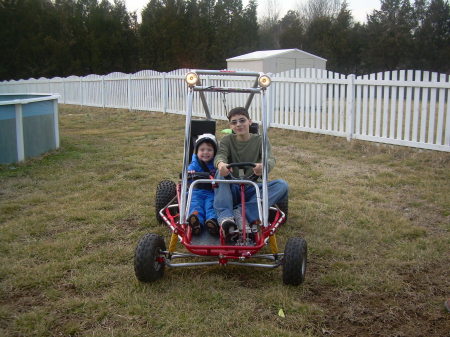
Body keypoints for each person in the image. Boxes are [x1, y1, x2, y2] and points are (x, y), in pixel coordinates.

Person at [213, 107, 288, 241]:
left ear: (250, 121)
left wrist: (263, 166)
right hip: (233, 187)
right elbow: (220, 156)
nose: (239, 124)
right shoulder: (226, 140)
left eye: (242, 120)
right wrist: (221, 164)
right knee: (220, 172)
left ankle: (242, 213)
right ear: (230, 126)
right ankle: (226, 219)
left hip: (253, 187)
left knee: (282, 185)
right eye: (234, 122)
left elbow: (270, 159)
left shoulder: (260, 140)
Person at [187, 133, 219, 235]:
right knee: (196, 205)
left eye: (209, 150)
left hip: (212, 191)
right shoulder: (195, 163)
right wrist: (190, 173)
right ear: (197, 152)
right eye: (202, 150)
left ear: (214, 152)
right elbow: (189, 172)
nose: (205, 152)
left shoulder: (216, 163)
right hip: (197, 191)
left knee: (211, 206)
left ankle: (212, 222)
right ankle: (196, 222)